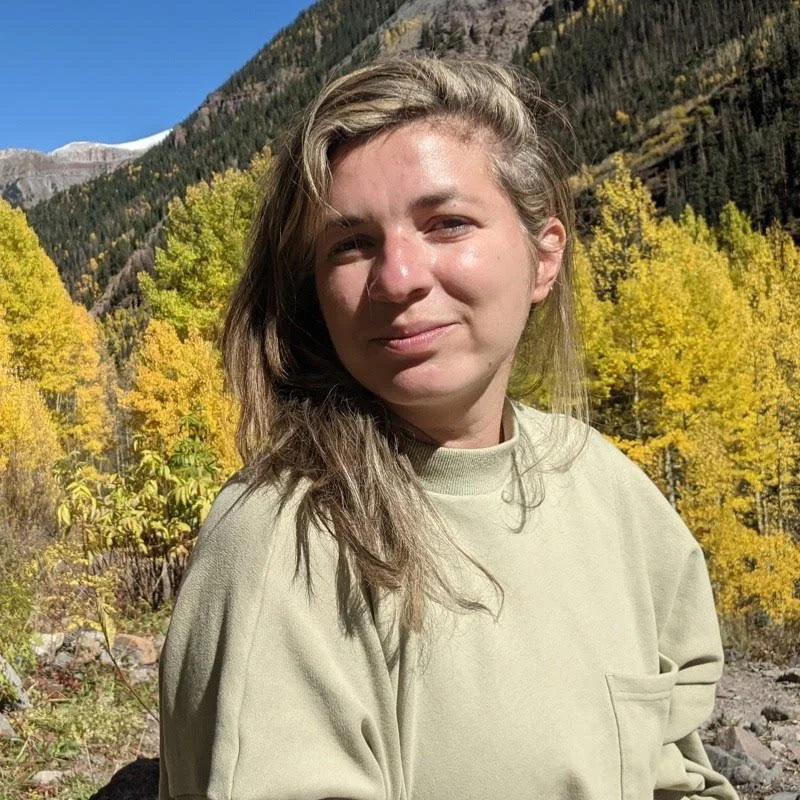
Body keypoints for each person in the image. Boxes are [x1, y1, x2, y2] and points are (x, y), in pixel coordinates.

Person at [158, 56, 739, 800]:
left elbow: (674, 768)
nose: (398, 277)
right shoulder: (284, 546)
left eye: (447, 224)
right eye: (351, 243)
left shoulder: (613, 494)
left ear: (543, 257)